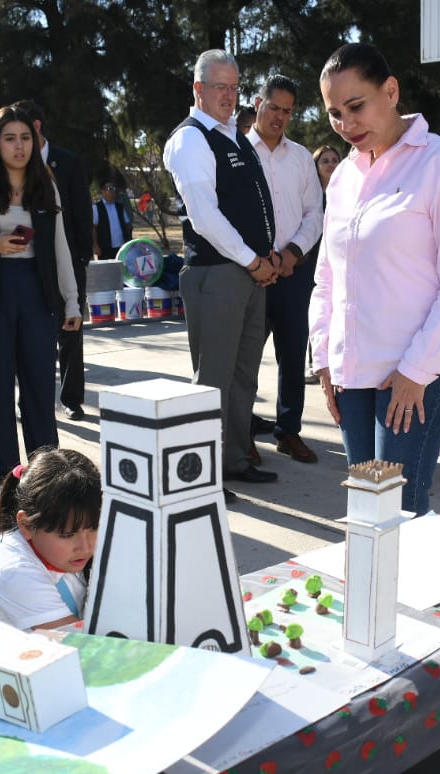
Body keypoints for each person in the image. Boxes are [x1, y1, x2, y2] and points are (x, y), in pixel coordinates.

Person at [311, 43, 440, 516]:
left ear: (391, 91)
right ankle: (376, 593)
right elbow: (328, 276)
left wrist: (415, 372)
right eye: (333, 114)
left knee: (400, 511)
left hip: (418, 370)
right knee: (368, 508)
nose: (346, 125)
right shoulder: (343, 176)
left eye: (355, 106)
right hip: (353, 373)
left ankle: (410, 594)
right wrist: (323, 357)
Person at [0, 104, 82, 505]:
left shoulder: (46, 185)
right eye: (10, 138)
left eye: (25, 138)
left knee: (40, 386)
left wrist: (71, 301)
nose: (19, 146)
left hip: (37, 293)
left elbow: (60, 246)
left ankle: (46, 474)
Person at [164, 49, 280, 496]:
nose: (229, 96)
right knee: (212, 380)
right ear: (198, 89)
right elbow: (205, 217)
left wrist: (264, 261)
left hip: (249, 274)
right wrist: (254, 261)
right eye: (219, 87)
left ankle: (232, 459)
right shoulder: (192, 139)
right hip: (218, 274)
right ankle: (199, 477)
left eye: (234, 88)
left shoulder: (231, 135)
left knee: (243, 375)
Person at [247, 74, 324, 464]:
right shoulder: (239, 152)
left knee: (293, 356)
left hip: (294, 275)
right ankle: (242, 432)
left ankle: (288, 431)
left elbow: (315, 214)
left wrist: (291, 254)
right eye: (274, 107)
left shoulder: (300, 158)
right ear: (258, 103)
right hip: (250, 275)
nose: (280, 117)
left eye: (288, 111)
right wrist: (260, 260)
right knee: (243, 360)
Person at [0, 448, 100, 631]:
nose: (86, 546)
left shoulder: (54, 553)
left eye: (94, 528)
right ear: (26, 525)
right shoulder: (14, 573)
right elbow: (85, 649)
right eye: (67, 535)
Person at [15, 99, 94, 422]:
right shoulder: (12, 166)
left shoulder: (68, 162)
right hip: (28, 262)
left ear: (36, 128)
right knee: (31, 334)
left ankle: (72, 398)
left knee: (71, 332)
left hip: (68, 260)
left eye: (23, 133)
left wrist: (81, 257)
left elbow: (82, 210)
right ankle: (32, 399)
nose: (17, 142)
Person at [300, 144, 340, 387]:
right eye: (325, 160)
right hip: (311, 260)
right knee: (315, 313)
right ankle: (314, 362)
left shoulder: (347, 191)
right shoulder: (311, 195)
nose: (330, 164)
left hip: (338, 261)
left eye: (335, 159)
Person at [92, 179, 133, 260]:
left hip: (122, 248)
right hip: (105, 248)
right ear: (103, 191)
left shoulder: (120, 207)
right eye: (110, 188)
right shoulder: (96, 208)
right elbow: (93, 228)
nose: (113, 191)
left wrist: (129, 243)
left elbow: (127, 226)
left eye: (114, 188)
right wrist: (95, 246)